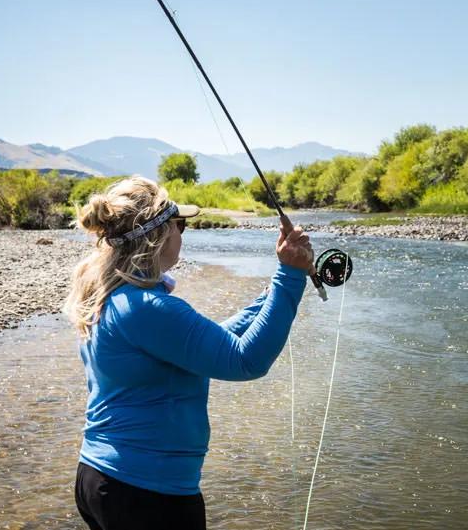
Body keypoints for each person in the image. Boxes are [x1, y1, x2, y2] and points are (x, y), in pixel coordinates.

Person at [64, 176, 313, 530]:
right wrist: (291, 276)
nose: (183, 234)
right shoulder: (147, 306)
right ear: (160, 233)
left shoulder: (112, 298)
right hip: (146, 493)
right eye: (181, 225)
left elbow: (209, 343)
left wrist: (282, 281)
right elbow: (245, 360)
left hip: (102, 479)